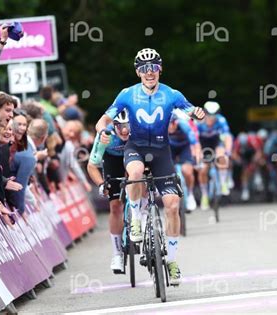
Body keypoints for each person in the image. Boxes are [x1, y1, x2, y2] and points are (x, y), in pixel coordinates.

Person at [95, 48, 205, 285]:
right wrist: (102, 129)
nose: (149, 72)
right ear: (137, 72)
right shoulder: (127, 94)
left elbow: (191, 111)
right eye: (144, 69)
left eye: (153, 67)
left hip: (160, 151)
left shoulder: (171, 94)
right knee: (134, 174)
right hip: (135, 147)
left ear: (160, 69)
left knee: (173, 206)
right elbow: (104, 119)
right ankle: (135, 218)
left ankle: (172, 261)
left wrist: (198, 113)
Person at [87, 110, 130, 273]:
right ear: (114, 125)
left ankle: (143, 218)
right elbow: (92, 166)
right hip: (113, 161)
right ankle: (117, 253)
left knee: (141, 182)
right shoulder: (106, 136)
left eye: (127, 125)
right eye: (120, 126)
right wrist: (100, 184)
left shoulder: (139, 131)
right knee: (115, 206)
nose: (124, 130)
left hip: (134, 156)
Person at [196, 101, 233, 210]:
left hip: (216, 142)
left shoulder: (221, 120)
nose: (211, 118)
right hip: (202, 144)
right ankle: (205, 195)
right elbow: (194, 140)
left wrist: (228, 152)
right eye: (209, 115)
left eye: (214, 115)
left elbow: (227, 137)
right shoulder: (198, 122)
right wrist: (198, 153)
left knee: (222, 156)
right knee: (203, 170)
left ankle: (223, 183)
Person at [168, 111, 201, 211]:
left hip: (184, 148)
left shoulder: (184, 126)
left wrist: (197, 160)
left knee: (187, 171)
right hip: (170, 149)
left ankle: (190, 193)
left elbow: (196, 144)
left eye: (170, 125)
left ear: (175, 123)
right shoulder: (161, 128)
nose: (168, 128)